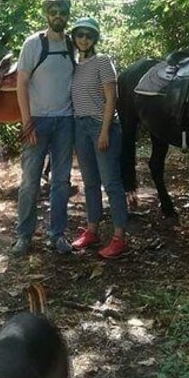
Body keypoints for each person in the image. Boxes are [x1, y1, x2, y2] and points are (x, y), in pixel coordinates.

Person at [11, 0, 76, 256]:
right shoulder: (33, 44)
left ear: (67, 15)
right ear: (46, 15)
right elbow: (21, 83)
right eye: (53, 11)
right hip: (37, 121)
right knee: (30, 181)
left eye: (62, 11)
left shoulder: (74, 45)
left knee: (61, 182)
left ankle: (57, 234)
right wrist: (27, 122)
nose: (58, 16)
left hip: (65, 122)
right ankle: (24, 235)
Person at [68, 17, 130, 259]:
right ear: (74, 37)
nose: (84, 39)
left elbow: (111, 98)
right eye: (80, 34)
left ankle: (119, 237)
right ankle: (92, 229)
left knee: (111, 183)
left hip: (100, 127)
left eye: (89, 35)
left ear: (95, 38)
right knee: (90, 182)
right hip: (79, 126)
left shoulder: (103, 61)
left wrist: (104, 131)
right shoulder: (73, 65)